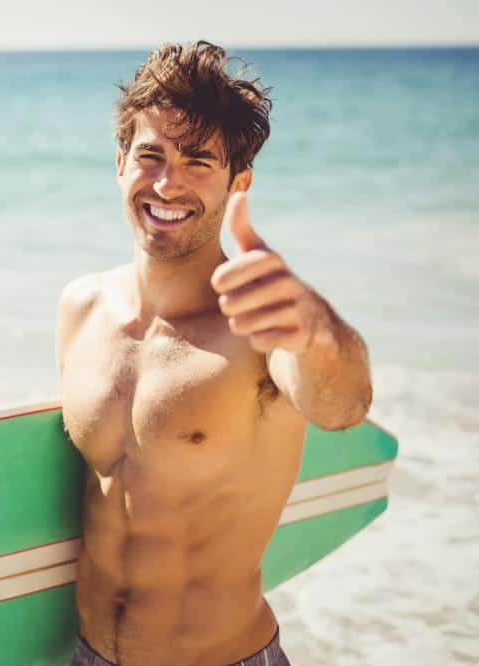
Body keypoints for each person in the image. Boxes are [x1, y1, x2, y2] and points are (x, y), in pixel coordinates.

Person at [55, 41, 373, 666]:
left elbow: (344, 406)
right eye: (150, 155)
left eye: (199, 161)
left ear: (239, 182)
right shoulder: (80, 308)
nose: (168, 183)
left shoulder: (260, 326)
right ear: (119, 163)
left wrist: (317, 331)